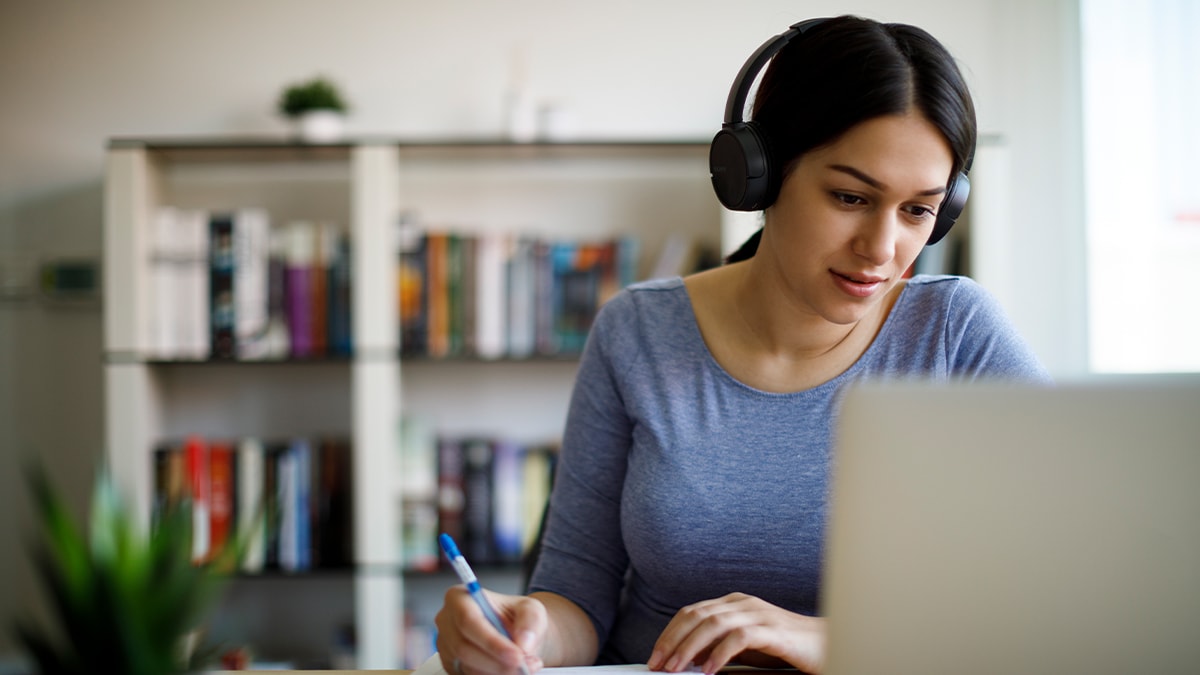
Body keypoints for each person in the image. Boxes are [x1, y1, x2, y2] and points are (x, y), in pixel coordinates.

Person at [434, 15, 1050, 675]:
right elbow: (575, 599)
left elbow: (1059, 584)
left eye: (917, 210)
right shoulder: (636, 331)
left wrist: (828, 639)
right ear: (759, 173)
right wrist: (522, 631)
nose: (882, 249)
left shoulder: (955, 335)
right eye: (849, 196)